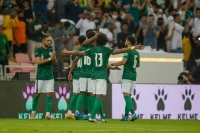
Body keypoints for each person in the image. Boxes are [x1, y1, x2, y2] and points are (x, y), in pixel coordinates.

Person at [61, 33, 144, 122]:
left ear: (96, 41)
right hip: (101, 76)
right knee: (99, 96)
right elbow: (121, 50)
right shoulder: (106, 50)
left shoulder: (91, 50)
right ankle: (92, 117)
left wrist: (68, 52)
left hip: (93, 76)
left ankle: (98, 117)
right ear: (105, 42)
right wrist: (134, 47)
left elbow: (78, 52)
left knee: (94, 95)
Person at [111, 35, 140, 121]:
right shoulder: (137, 53)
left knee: (125, 95)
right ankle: (126, 116)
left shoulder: (127, 52)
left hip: (127, 75)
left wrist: (112, 64)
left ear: (128, 42)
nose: (125, 41)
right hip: (134, 75)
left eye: (126, 40)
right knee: (129, 96)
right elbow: (138, 65)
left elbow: (123, 61)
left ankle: (133, 114)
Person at [30, 35, 57, 119]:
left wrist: (53, 58)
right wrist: (50, 58)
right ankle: (33, 113)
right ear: (43, 41)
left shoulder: (50, 50)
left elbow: (55, 63)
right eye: (48, 41)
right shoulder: (38, 50)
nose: (49, 42)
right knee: (37, 94)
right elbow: (38, 62)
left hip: (49, 75)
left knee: (49, 94)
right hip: (40, 76)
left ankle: (48, 114)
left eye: (50, 41)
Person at [65, 35, 86, 120]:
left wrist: (70, 72)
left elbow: (73, 62)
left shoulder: (74, 52)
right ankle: (78, 112)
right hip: (84, 74)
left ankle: (69, 112)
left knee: (75, 94)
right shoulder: (86, 51)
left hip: (76, 74)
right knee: (83, 94)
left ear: (78, 42)